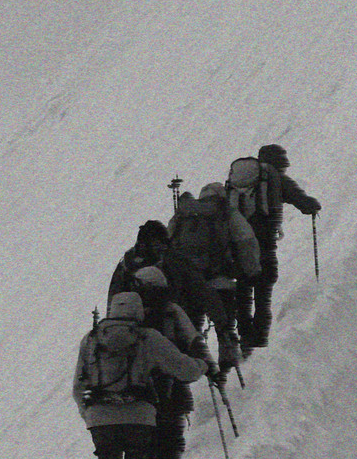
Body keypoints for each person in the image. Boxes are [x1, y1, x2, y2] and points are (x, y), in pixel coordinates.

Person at [73, 291, 208, 459]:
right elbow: (184, 369)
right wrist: (202, 364)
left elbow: (78, 386)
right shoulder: (147, 338)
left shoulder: (91, 339)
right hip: (139, 416)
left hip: (100, 419)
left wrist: (89, 415)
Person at [130, 265, 220, 459]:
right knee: (169, 432)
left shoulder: (127, 316)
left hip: (136, 387)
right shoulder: (171, 312)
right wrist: (208, 366)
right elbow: (193, 340)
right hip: (171, 382)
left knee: (145, 435)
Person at [107, 220, 239, 368]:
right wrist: (222, 325)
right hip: (171, 325)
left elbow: (114, 300)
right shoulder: (174, 259)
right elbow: (203, 291)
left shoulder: (126, 265)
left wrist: (111, 328)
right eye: (159, 244)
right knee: (174, 366)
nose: (162, 248)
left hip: (137, 329)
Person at [168, 182, 260, 380]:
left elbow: (169, 244)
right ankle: (228, 369)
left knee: (190, 329)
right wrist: (251, 270)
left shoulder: (184, 214)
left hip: (188, 283)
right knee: (224, 325)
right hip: (219, 281)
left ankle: (191, 373)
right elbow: (246, 240)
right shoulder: (225, 211)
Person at [235, 144, 321, 355]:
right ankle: (260, 339)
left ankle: (245, 339)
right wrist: (312, 206)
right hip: (264, 244)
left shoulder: (241, 179)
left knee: (244, 291)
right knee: (263, 294)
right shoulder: (276, 179)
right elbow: (301, 200)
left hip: (239, 245)